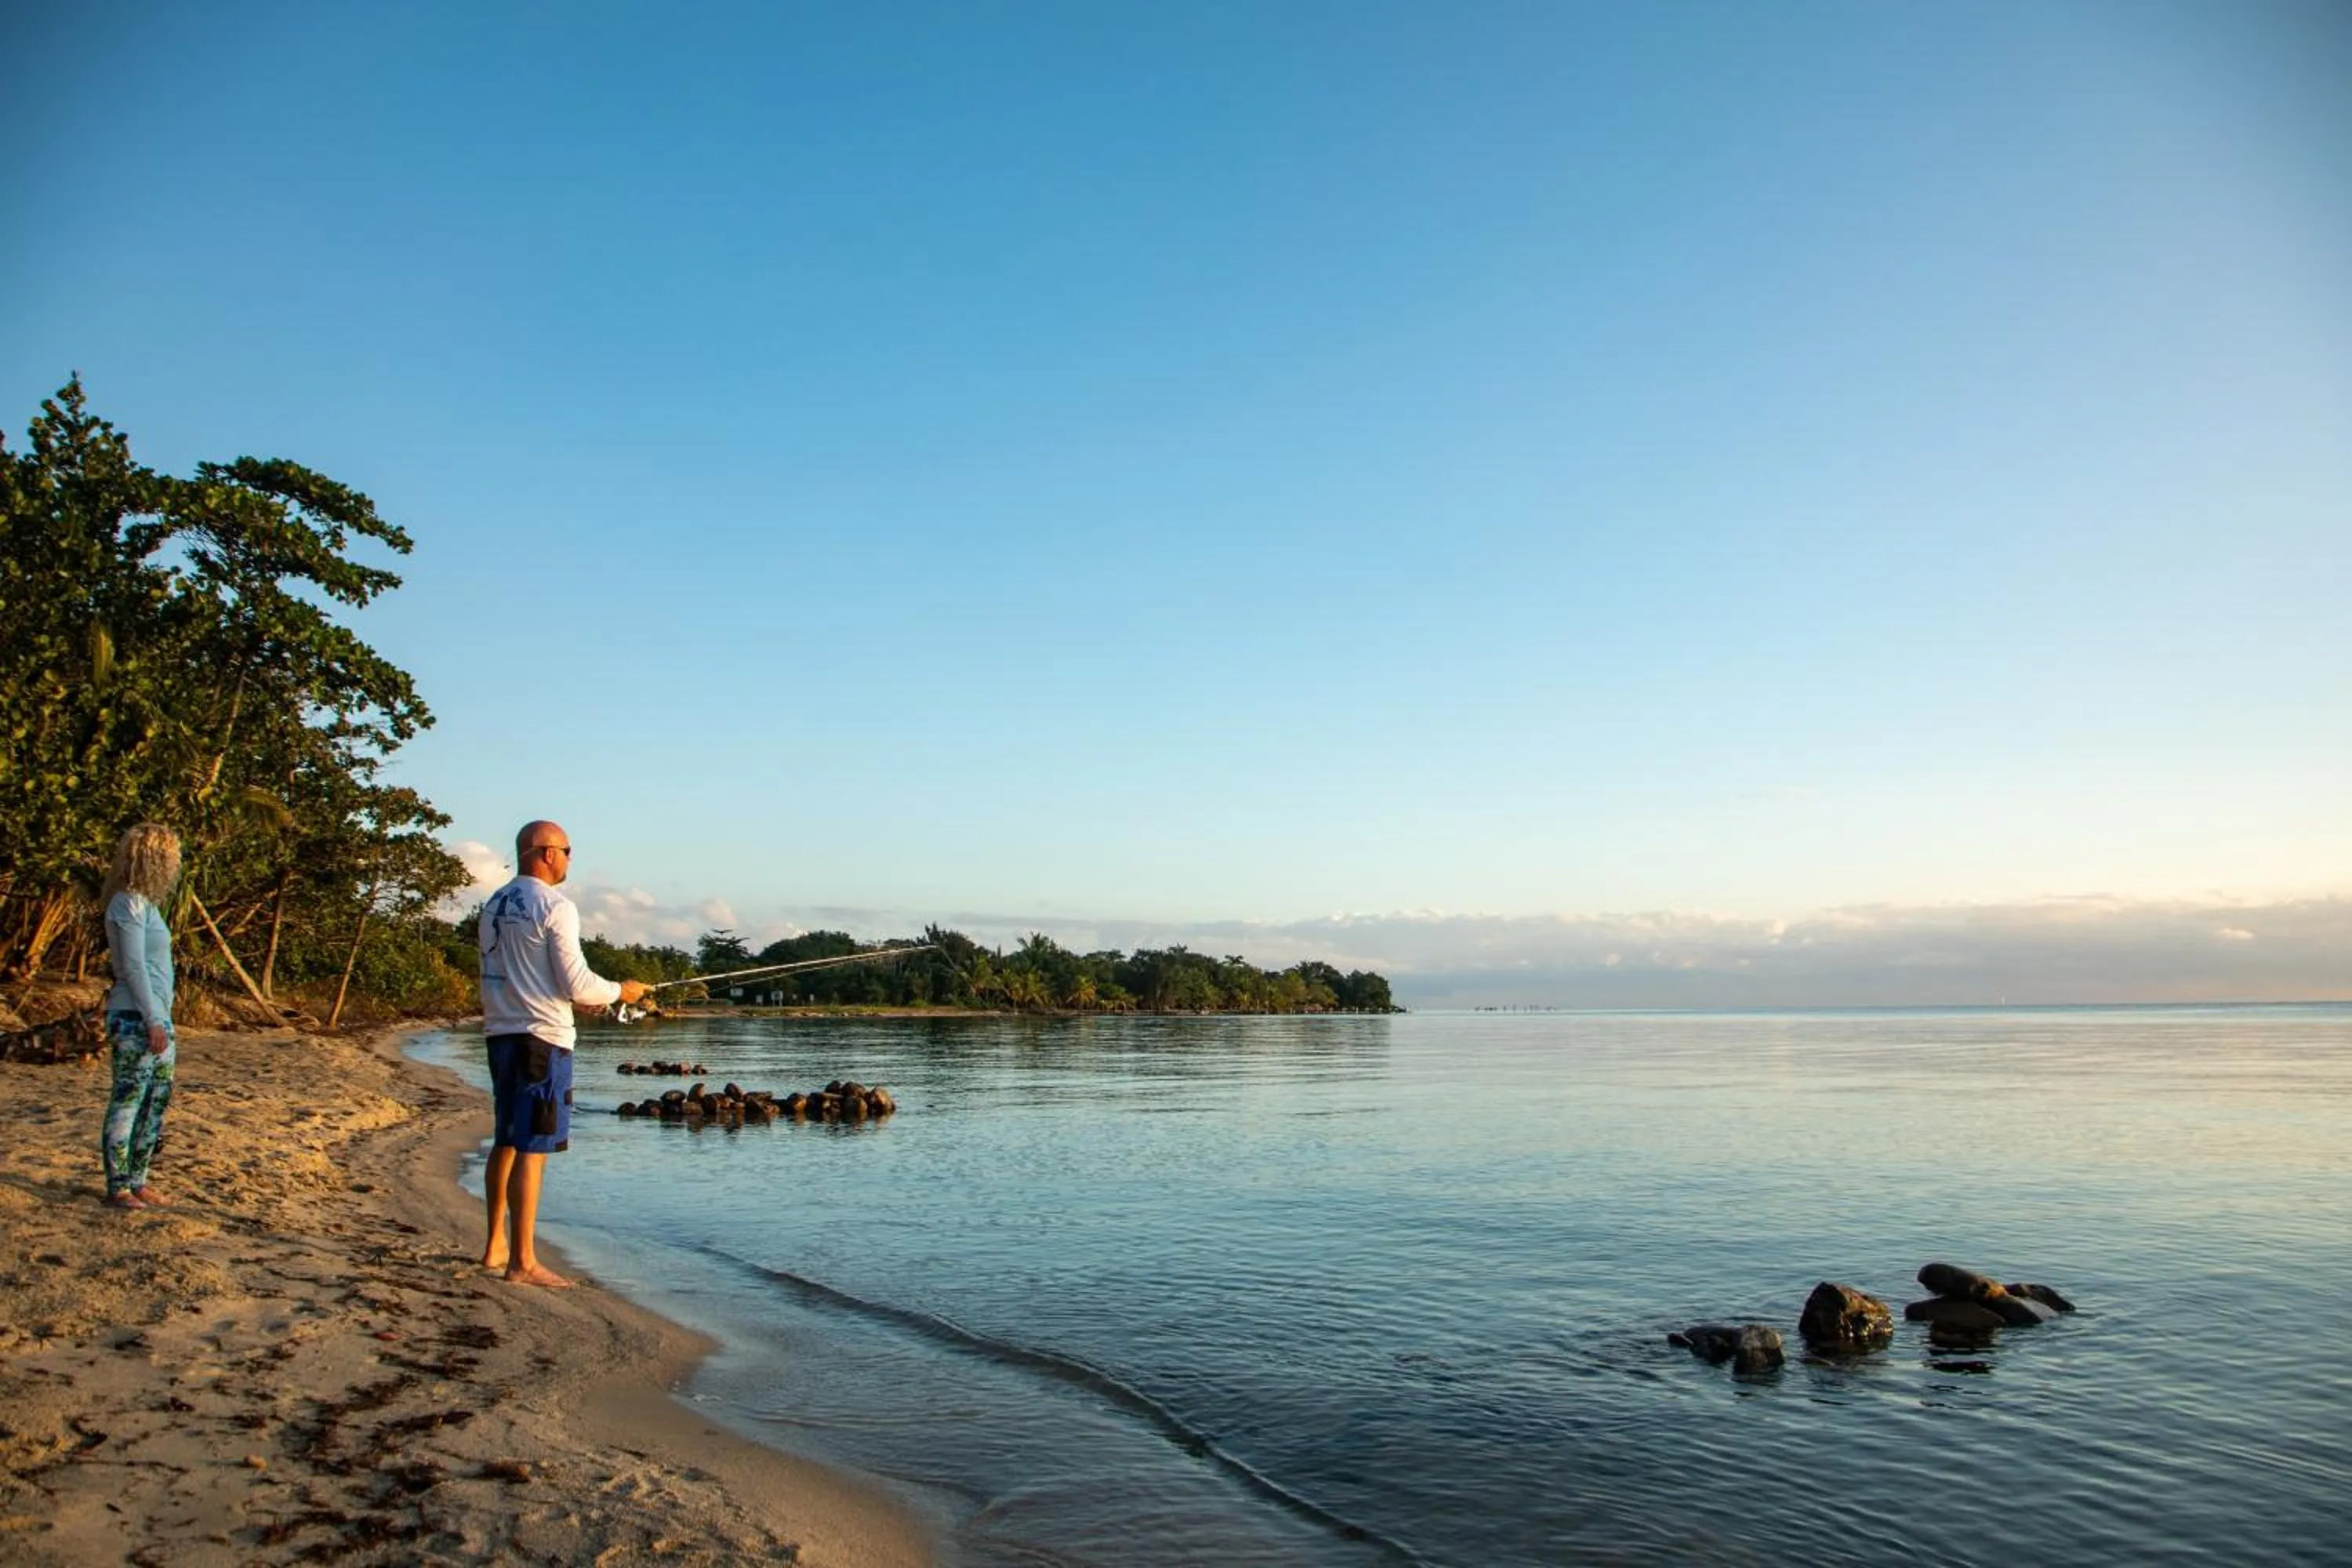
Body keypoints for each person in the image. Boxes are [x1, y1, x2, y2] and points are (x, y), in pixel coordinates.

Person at [477, 820, 649, 1287]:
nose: (571, 859)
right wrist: (621, 991)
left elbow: (530, 975)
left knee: (507, 1139)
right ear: (546, 852)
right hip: (543, 1039)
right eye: (568, 850)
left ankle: (495, 1246)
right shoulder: (555, 905)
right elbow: (576, 984)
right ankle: (523, 1263)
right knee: (533, 1147)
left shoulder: (494, 904)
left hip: (501, 1035)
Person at [100, 822, 182, 1210]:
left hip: (157, 1017)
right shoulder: (126, 903)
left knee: (156, 1102)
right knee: (130, 1099)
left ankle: (138, 1179)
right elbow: (132, 967)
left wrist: (162, 1017)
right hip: (134, 1016)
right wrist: (151, 1019)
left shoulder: (145, 905)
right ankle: (118, 1186)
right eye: (167, 857)